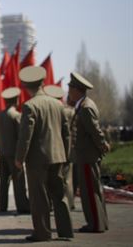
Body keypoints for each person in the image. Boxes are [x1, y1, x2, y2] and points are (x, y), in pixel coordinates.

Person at [15, 66, 73, 242]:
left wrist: (19, 158)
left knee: (39, 197)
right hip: (58, 156)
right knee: (59, 195)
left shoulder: (29, 106)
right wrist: (66, 155)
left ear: (26, 86)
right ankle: (65, 231)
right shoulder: (57, 104)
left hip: (37, 159)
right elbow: (66, 132)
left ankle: (42, 232)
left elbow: (26, 136)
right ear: (42, 83)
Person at [67, 72, 109, 233]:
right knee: (93, 190)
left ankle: (94, 224)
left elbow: (94, 131)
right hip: (86, 155)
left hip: (87, 155)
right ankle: (99, 222)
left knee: (90, 192)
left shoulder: (85, 107)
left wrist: (102, 145)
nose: (69, 91)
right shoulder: (83, 105)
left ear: (77, 90)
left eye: (70, 88)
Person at [0, 87, 30, 214]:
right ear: (16, 100)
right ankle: (22, 206)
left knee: (3, 181)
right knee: (19, 181)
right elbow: (21, 137)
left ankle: (2, 206)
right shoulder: (16, 116)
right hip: (14, 154)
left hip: (2, 153)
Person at [44, 84, 76, 210]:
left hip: (51, 149)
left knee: (50, 179)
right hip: (66, 148)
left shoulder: (48, 110)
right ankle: (69, 202)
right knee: (67, 178)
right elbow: (71, 133)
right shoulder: (69, 111)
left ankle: (50, 203)